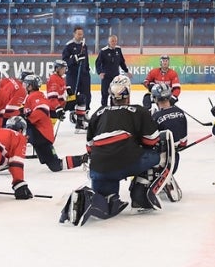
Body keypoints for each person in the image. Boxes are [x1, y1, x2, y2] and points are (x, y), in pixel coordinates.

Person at [59, 76, 175, 226]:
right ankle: (141, 194)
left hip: (99, 169)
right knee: (157, 155)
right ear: (128, 94)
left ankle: (90, 199)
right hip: (127, 162)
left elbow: (90, 147)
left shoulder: (99, 113)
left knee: (109, 202)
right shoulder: (138, 111)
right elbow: (152, 141)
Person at [21, 74, 87, 172]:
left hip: (41, 136)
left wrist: (28, 119)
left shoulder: (36, 96)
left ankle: (84, 158)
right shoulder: (32, 96)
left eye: (25, 84)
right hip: (38, 135)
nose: (24, 86)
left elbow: (41, 110)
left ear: (30, 86)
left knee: (56, 166)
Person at [151, 83, 186, 201]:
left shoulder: (155, 117)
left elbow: (150, 142)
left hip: (159, 162)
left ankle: (157, 177)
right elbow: (183, 142)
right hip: (174, 161)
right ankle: (167, 176)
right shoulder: (181, 112)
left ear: (155, 98)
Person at [62, 26, 91, 130]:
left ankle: (85, 112)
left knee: (86, 94)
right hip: (72, 75)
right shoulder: (69, 46)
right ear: (74, 34)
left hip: (83, 74)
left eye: (81, 34)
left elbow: (86, 59)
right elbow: (65, 62)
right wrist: (75, 59)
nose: (80, 36)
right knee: (73, 94)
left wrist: (86, 69)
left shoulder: (84, 45)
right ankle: (72, 112)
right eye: (78, 34)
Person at [96, 35, 130, 107]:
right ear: (109, 42)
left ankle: (114, 109)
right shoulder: (103, 51)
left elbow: (121, 62)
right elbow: (98, 63)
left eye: (115, 41)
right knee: (105, 94)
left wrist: (126, 71)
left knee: (115, 94)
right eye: (112, 41)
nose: (114, 42)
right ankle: (104, 109)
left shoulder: (118, 49)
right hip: (106, 77)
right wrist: (100, 72)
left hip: (116, 78)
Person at [46, 59, 69, 124]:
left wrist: (70, 94)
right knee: (50, 127)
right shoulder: (53, 79)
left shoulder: (60, 78)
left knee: (81, 98)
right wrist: (58, 108)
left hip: (62, 104)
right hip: (55, 107)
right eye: (62, 68)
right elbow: (52, 98)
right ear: (57, 69)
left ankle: (79, 121)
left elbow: (61, 92)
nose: (64, 70)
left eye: (65, 68)